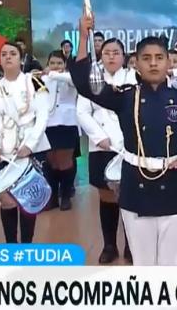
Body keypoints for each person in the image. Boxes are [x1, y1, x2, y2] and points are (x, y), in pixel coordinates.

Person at [71, 12, 177, 266]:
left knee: (173, 263)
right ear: (135, 63)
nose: (153, 64)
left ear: (169, 62)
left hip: (175, 188)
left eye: (159, 58)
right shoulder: (124, 97)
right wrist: (83, 37)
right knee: (143, 263)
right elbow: (84, 84)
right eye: (146, 58)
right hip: (136, 186)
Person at [0, 42, 51, 243]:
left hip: (30, 148)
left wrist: (31, 144)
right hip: (1, 151)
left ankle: (27, 244)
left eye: (13, 54)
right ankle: (11, 245)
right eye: (3, 54)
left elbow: (43, 116)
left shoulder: (33, 83)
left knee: (28, 199)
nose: (8, 57)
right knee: (7, 201)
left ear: (21, 58)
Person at [76, 38, 134, 263]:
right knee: (107, 195)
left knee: (131, 197)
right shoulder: (93, 79)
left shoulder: (133, 78)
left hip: (130, 146)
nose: (111, 56)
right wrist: (99, 137)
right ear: (101, 55)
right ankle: (109, 245)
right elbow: (82, 112)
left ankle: (131, 244)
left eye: (116, 52)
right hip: (101, 145)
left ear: (123, 56)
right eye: (107, 52)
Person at [40, 50, 80, 211]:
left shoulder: (70, 78)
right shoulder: (43, 79)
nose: (55, 66)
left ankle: (66, 195)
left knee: (65, 162)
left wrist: (53, 75)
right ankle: (53, 196)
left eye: (59, 63)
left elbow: (75, 81)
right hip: (48, 124)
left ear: (65, 64)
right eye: (52, 63)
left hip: (67, 123)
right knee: (51, 162)